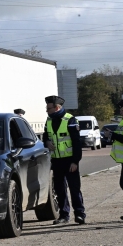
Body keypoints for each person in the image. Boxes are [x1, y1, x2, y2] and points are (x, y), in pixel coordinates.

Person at [43, 95, 86, 225]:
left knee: (74, 189)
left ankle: (79, 214)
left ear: (57, 107)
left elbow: (77, 143)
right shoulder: (49, 121)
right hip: (57, 161)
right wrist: (46, 142)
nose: (47, 110)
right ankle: (64, 215)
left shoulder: (70, 120)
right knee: (60, 189)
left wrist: (75, 162)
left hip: (70, 161)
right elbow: (45, 135)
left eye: (49, 108)